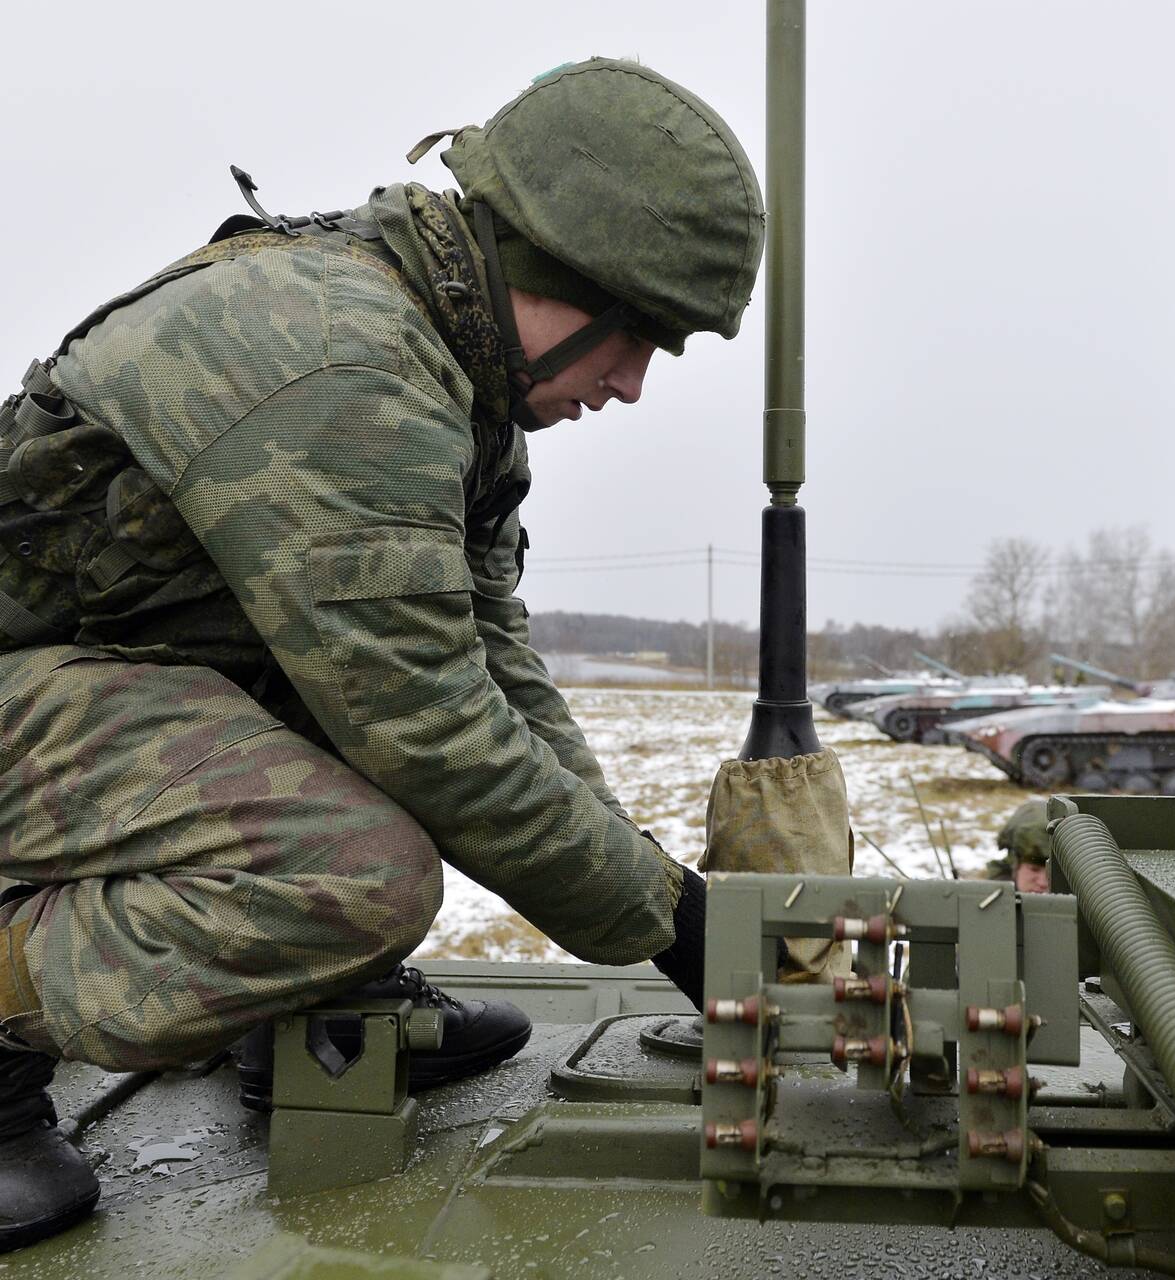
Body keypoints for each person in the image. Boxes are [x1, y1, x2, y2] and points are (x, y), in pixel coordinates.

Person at [0, 57, 763, 1249]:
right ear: (545, 274)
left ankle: (303, 1004)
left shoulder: (456, 377)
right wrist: (665, 924)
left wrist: (653, 887)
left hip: (103, 681)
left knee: (386, 764)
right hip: (25, 690)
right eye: (635, 335)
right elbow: (436, 729)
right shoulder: (348, 367)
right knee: (360, 871)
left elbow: (491, 664)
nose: (628, 384)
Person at [983, 799, 1052, 894]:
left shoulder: (1076, 899)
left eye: (1052, 873)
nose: (1042, 883)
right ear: (1014, 865)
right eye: (1034, 869)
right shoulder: (990, 898)